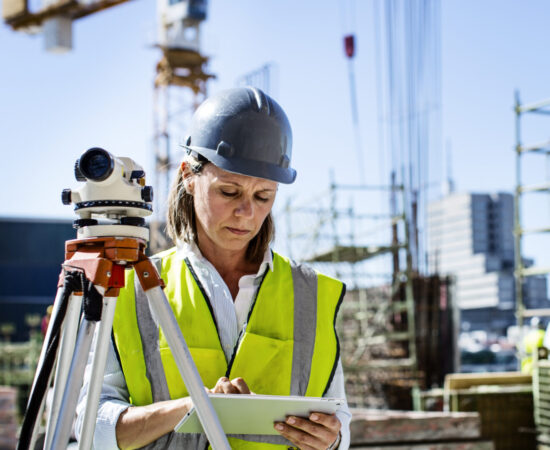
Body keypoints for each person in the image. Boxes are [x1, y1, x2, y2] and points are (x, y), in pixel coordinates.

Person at [75, 87, 351, 449]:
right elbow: (91, 431)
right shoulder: (132, 290)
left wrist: (330, 439)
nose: (246, 213)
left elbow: (339, 424)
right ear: (189, 175)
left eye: (263, 196)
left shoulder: (312, 294)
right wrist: (196, 408)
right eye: (229, 192)